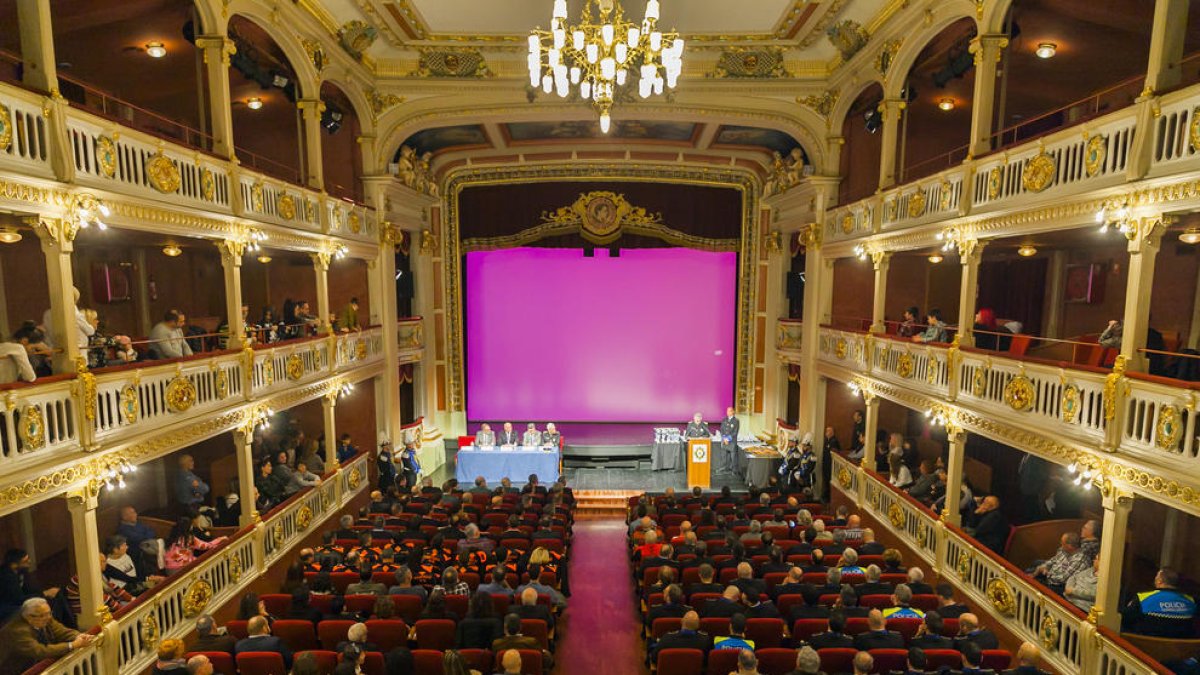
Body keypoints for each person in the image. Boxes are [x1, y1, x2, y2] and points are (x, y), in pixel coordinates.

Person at [0, 597, 92, 675]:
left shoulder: (45, 617)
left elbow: (62, 632)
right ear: (29, 617)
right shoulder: (18, 631)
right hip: (14, 670)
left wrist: (79, 636)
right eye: (42, 615)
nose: (48, 618)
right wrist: (72, 645)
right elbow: (40, 651)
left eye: (49, 613)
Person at [1121, 567, 1197, 638]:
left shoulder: (1143, 598)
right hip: (1180, 649)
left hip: (1144, 647)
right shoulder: (1190, 600)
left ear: (1159, 581)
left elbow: (1124, 619)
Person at [0, 549, 63, 624]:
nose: (29, 562)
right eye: (25, 561)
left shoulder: (21, 572)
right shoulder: (6, 576)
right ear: (14, 564)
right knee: (35, 609)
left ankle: (66, 626)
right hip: (7, 607)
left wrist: (45, 594)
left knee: (53, 599)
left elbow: (30, 590)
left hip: (19, 602)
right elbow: (17, 599)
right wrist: (44, 594)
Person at [719, 406, 741, 477]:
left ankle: (734, 471)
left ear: (733, 412)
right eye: (727, 411)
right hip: (724, 440)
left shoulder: (736, 421)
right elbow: (721, 430)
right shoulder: (724, 419)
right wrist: (724, 438)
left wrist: (727, 439)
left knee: (733, 457)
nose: (728, 412)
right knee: (724, 456)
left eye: (730, 411)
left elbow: (735, 432)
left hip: (732, 442)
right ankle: (724, 468)